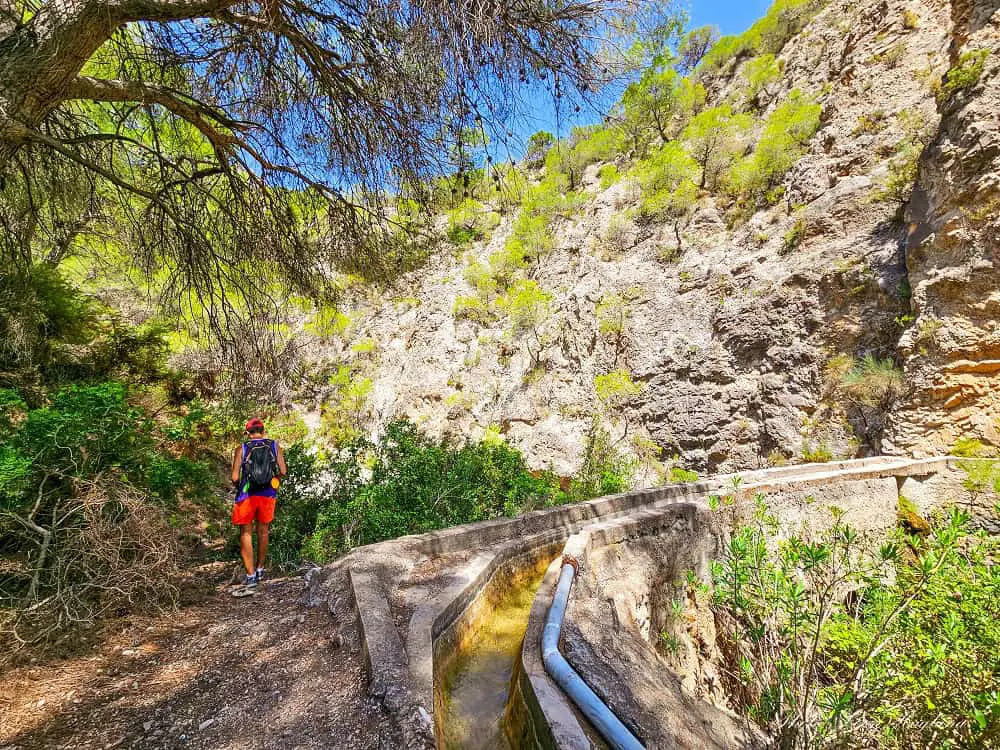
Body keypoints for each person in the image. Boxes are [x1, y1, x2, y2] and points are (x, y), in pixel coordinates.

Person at [231, 418, 287, 590]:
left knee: (246, 533)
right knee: (263, 531)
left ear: (248, 433)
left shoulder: (242, 448)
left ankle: (251, 576)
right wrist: (274, 480)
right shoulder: (274, 445)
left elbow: (234, 477)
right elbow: (283, 471)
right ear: (263, 430)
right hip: (268, 494)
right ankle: (261, 568)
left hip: (247, 494)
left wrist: (240, 486)